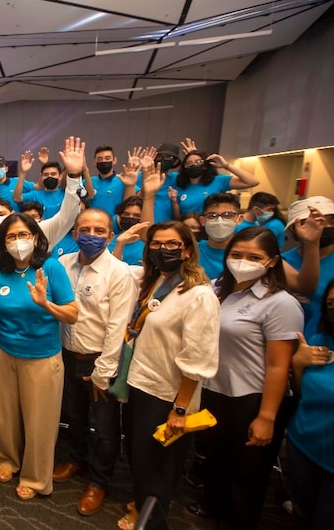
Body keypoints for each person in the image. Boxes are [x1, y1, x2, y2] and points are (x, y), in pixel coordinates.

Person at [188, 227, 302, 529]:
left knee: (247, 470)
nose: (243, 261)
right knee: (214, 457)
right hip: (213, 389)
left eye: (254, 257)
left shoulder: (281, 303)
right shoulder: (216, 289)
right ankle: (212, 505)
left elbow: (279, 366)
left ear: (272, 261)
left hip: (251, 397)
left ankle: (239, 520)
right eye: (236, 255)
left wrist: (266, 416)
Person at [0, 213, 79, 501]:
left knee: (39, 420)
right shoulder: (0, 270)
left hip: (41, 357)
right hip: (4, 351)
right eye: (11, 237)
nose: (18, 242)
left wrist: (46, 304)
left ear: (36, 238)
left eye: (23, 235)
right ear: (3, 243)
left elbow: (73, 314)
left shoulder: (50, 268)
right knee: (4, 413)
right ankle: (8, 459)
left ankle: (36, 477)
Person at [119, 221, 220, 530]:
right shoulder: (152, 281)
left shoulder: (199, 295)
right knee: (139, 457)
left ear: (187, 249)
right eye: (156, 244)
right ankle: (142, 505)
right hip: (138, 383)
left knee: (159, 467)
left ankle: (151, 522)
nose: (163, 250)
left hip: (169, 394)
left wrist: (180, 408)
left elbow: (197, 358)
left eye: (172, 244)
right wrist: (121, 242)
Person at [54, 208, 138, 516]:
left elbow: (118, 327)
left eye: (99, 230)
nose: (91, 235)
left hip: (99, 361)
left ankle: (100, 481)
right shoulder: (63, 264)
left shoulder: (119, 273)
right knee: (74, 417)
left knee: (104, 427)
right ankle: (76, 460)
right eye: (85, 229)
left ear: (110, 236)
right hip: (66, 354)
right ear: (74, 234)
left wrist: (105, 370)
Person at [287, 279, 334, 528]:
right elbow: (301, 391)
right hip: (303, 443)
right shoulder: (320, 339)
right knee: (301, 515)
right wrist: (297, 363)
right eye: (331, 304)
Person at [282, 196, 334, 336]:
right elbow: (307, 287)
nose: (324, 225)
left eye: (331, 220)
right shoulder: (281, 262)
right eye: (311, 221)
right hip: (293, 339)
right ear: (294, 229)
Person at [174, 144, 258, 216]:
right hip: (189, 229)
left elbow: (253, 181)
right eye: (189, 163)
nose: (193, 165)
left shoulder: (218, 181)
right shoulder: (180, 185)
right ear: (184, 167)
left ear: (205, 165)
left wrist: (226, 165)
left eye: (198, 162)